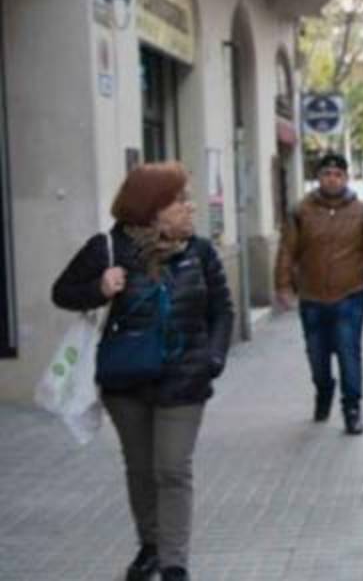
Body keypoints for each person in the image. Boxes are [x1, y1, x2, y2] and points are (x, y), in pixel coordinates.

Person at [52, 162, 234, 581]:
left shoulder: (200, 252)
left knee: (171, 468)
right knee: (140, 468)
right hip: (125, 380)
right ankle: (149, 545)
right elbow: (61, 293)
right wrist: (98, 288)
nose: (190, 208)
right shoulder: (109, 249)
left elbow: (222, 310)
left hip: (185, 378)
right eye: (179, 201)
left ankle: (174, 563)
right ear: (152, 209)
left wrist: (213, 359)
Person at [275, 152, 363, 436]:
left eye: (338, 174)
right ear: (318, 178)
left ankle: (351, 409)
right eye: (326, 174)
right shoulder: (301, 211)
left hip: (350, 296)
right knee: (317, 357)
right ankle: (324, 390)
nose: (332, 179)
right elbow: (287, 250)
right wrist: (282, 286)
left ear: (345, 178)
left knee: (348, 352)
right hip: (312, 297)